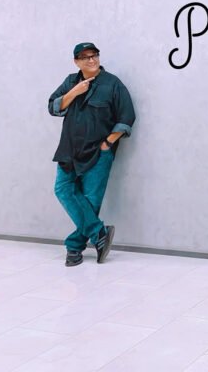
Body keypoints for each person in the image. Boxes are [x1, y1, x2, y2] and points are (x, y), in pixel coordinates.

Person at [48, 42, 135, 266]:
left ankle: (75, 247)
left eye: (94, 55)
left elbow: (127, 116)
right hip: (69, 149)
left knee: (91, 200)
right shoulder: (70, 82)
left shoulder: (112, 84)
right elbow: (53, 107)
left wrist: (108, 143)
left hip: (99, 153)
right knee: (63, 189)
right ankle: (99, 233)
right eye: (85, 57)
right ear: (77, 61)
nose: (91, 60)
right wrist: (74, 92)